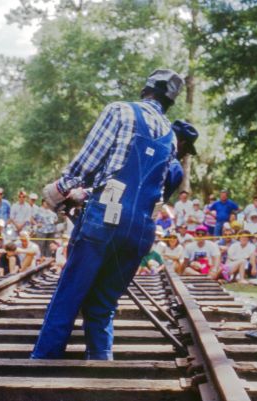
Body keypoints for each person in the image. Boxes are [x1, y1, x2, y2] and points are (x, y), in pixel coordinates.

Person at [32, 69, 192, 360]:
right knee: (103, 305)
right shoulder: (170, 136)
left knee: (68, 297)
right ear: (170, 101)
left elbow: (87, 163)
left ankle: (42, 363)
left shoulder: (120, 111)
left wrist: (61, 188)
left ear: (146, 89)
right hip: (140, 232)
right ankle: (101, 368)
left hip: (103, 221)